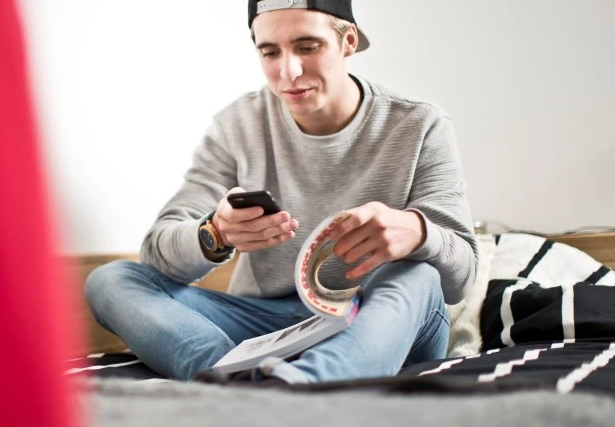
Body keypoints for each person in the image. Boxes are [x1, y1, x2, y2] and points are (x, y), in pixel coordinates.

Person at [85, 0, 478, 384]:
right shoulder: (236, 126)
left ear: (348, 42)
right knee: (111, 280)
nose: (288, 72)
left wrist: (419, 231)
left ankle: (306, 388)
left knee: (419, 273)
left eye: (308, 47)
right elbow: (157, 252)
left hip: (372, 321)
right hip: (260, 323)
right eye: (270, 52)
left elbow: (458, 281)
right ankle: (233, 380)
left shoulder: (420, 124)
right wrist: (214, 236)